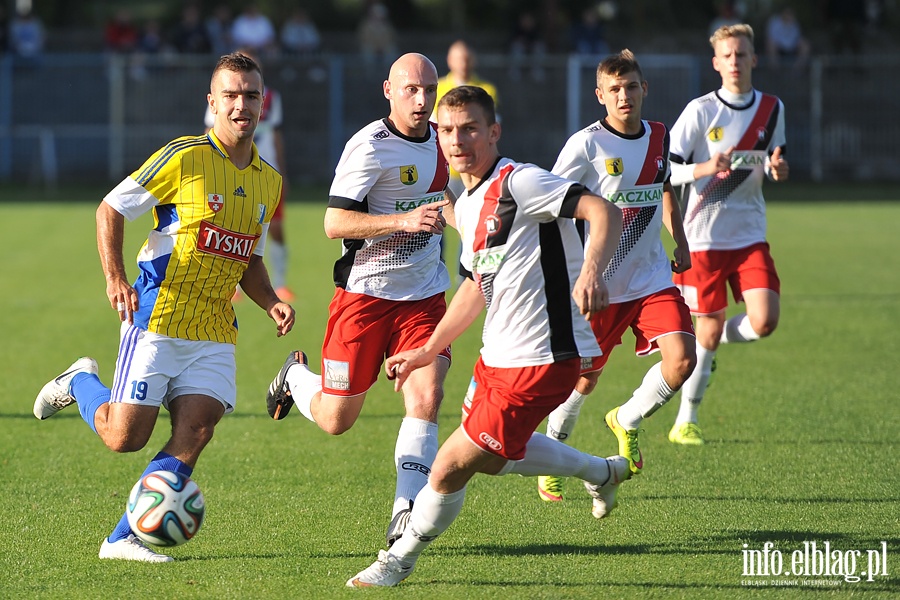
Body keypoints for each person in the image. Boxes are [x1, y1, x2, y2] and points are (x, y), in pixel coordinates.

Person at [347, 85, 629, 588]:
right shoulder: (469, 206)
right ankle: (602, 472)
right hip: (496, 357)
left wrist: (592, 271)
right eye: (448, 130)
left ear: (493, 132)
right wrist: (427, 350)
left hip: (544, 357)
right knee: (498, 459)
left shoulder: (520, 181)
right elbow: (476, 287)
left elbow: (601, 212)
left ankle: (398, 559)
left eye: (470, 129)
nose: (458, 141)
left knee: (449, 465)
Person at [33, 52, 295, 562]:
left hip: (216, 326)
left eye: (252, 95)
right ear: (212, 102)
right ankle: (78, 382)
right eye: (232, 95)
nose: (242, 105)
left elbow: (249, 256)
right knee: (123, 438)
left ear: (263, 103)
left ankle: (124, 537)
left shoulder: (269, 180)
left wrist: (271, 302)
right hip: (159, 314)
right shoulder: (184, 156)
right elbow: (111, 207)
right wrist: (114, 278)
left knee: (196, 430)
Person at [265, 53, 451, 548]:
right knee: (336, 420)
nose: (422, 99)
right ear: (387, 90)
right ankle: (294, 377)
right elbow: (333, 224)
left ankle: (405, 513)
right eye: (411, 89)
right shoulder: (369, 147)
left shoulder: (443, 140)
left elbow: (446, 198)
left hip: (425, 294)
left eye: (429, 90)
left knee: (427, 396)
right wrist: (401, 221)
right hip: (365, 297)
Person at [537, 49, 696, 502]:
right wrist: (572, 270)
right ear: (600, 96)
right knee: (580, 381)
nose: (623, 96)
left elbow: (664, 186)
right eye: (614, 90)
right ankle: (554, 454)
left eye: (630, 87)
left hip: (651, 280)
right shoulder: (587, 144)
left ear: (644, 89)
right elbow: (551, 202)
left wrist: (679, 238)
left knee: (683, 359)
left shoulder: (659, 137)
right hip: (599, 287)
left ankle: (627, 418)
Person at [667, 24, 789, 445]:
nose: (735, 62)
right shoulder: (701, 111)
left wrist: (777, 169)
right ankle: (686, 420)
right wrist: (705, 168)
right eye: (727, 56)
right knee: (708, 332)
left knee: (766, 320)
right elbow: (666, 168)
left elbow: (774, 159)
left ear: (754, 58)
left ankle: (711, 344)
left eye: (742, 54)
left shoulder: (773, 108)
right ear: (716, 63)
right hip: (703, 238)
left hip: (750, 234)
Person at [204, 48, 294, 301]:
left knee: (273, 229)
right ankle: (229, 286)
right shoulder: (222, 97)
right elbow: (209, 129)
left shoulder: (272, 98)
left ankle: (280, 282)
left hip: (265, 174)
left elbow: (275, 135)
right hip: (229, 172)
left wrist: (282, 171)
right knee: (224, 227)